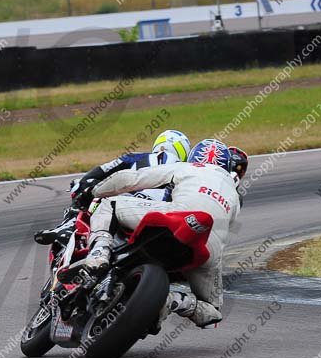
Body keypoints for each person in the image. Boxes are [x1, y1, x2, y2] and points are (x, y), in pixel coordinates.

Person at [68, 139, 247, 328]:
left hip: (177, 220)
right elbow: (228, 231)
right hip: (208, 248)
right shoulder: (235, 196)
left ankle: (100, 251)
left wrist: (94, 191)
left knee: (108, 204)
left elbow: (130, 179)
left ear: (195, 157)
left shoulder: (188, 167)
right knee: (213, 312)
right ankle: (173, 301)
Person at [33, 129, 191, 246]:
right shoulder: (188, 170)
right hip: (162, 214)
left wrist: (83, 185)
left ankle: (68, 227)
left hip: (124, 204)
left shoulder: (136, 157)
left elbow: (98, 173)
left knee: (89, 195)